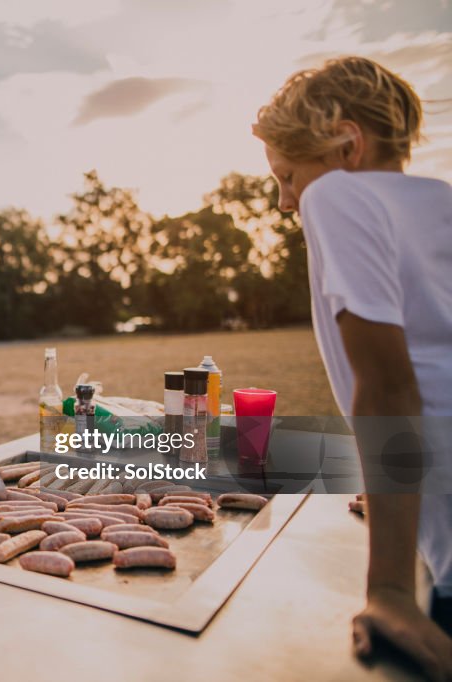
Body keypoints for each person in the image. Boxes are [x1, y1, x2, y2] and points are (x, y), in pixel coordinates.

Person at [253, 56, 452, 679]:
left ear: (346, 144)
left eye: (288, 177)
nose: (287, 203)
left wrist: (389, 588)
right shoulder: (437, 201)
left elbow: (392, 381)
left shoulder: (337, 191)